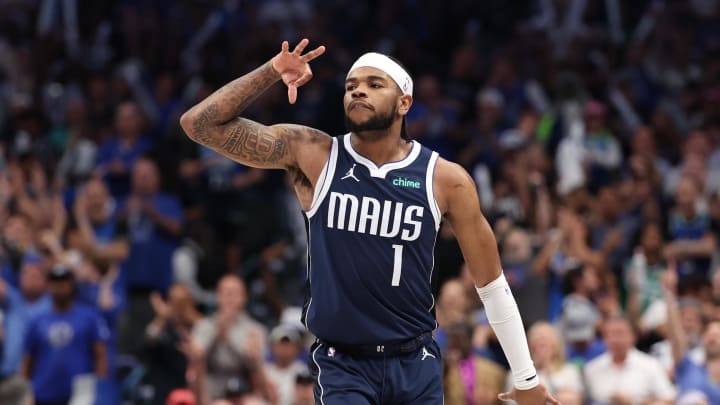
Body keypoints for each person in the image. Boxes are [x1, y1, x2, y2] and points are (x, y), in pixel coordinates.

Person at [180, 39, 556, 404]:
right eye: (351, 86)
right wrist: (272, 71)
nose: (358, 92)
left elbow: (491, 285)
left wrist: (525, 378)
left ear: (404, 102)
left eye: (374, 85)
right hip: (343, 363)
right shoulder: (315, 154)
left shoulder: (445, 179)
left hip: (416, 363)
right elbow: (198, 124)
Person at [22, 265, 110, 405]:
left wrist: (99, 389)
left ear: (72, 285)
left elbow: (100, 356)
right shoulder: (38, 321)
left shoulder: (89, 317)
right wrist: (26, 393)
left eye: (64, 282)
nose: (59, 287)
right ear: (49, 286)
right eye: (55, 282)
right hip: (44, 393)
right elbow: (27, 361)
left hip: (80, 395)